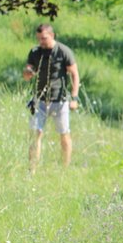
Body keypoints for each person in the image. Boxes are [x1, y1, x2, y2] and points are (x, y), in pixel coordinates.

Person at [23, 24, 80, 171]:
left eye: (44, 38)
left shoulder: (63, 51)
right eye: (39, 39)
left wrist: (74, 98)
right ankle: (32, 170)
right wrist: (28, 72)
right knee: (36, 133)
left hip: (59, 101)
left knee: (64, 134)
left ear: (52, 36)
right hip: (40, 100)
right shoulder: (35, 52)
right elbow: (29, 70)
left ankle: (64, 168)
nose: (41, 42)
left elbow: (74, 74)